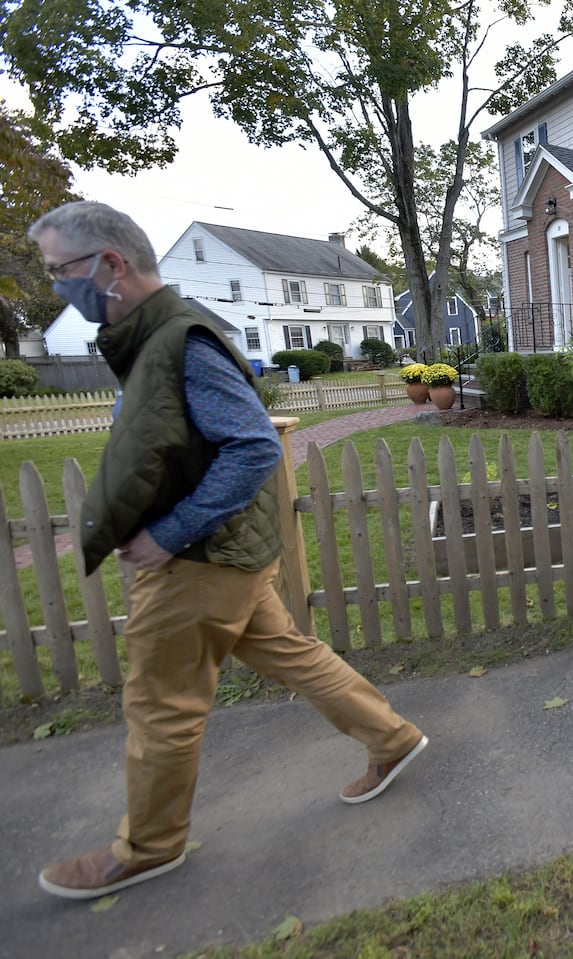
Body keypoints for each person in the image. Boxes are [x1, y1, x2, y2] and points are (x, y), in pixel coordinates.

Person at [28, 202, 428, 900]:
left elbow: (251, 445)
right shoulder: (156, 339)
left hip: (197, 564)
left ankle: (149, 846)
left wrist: (167, 532)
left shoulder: (180, 341)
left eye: (62, 271)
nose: (58, 284)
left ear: (109, 266)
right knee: (293, 654)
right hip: (226, 558)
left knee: (161, 705)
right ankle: (391, 737)